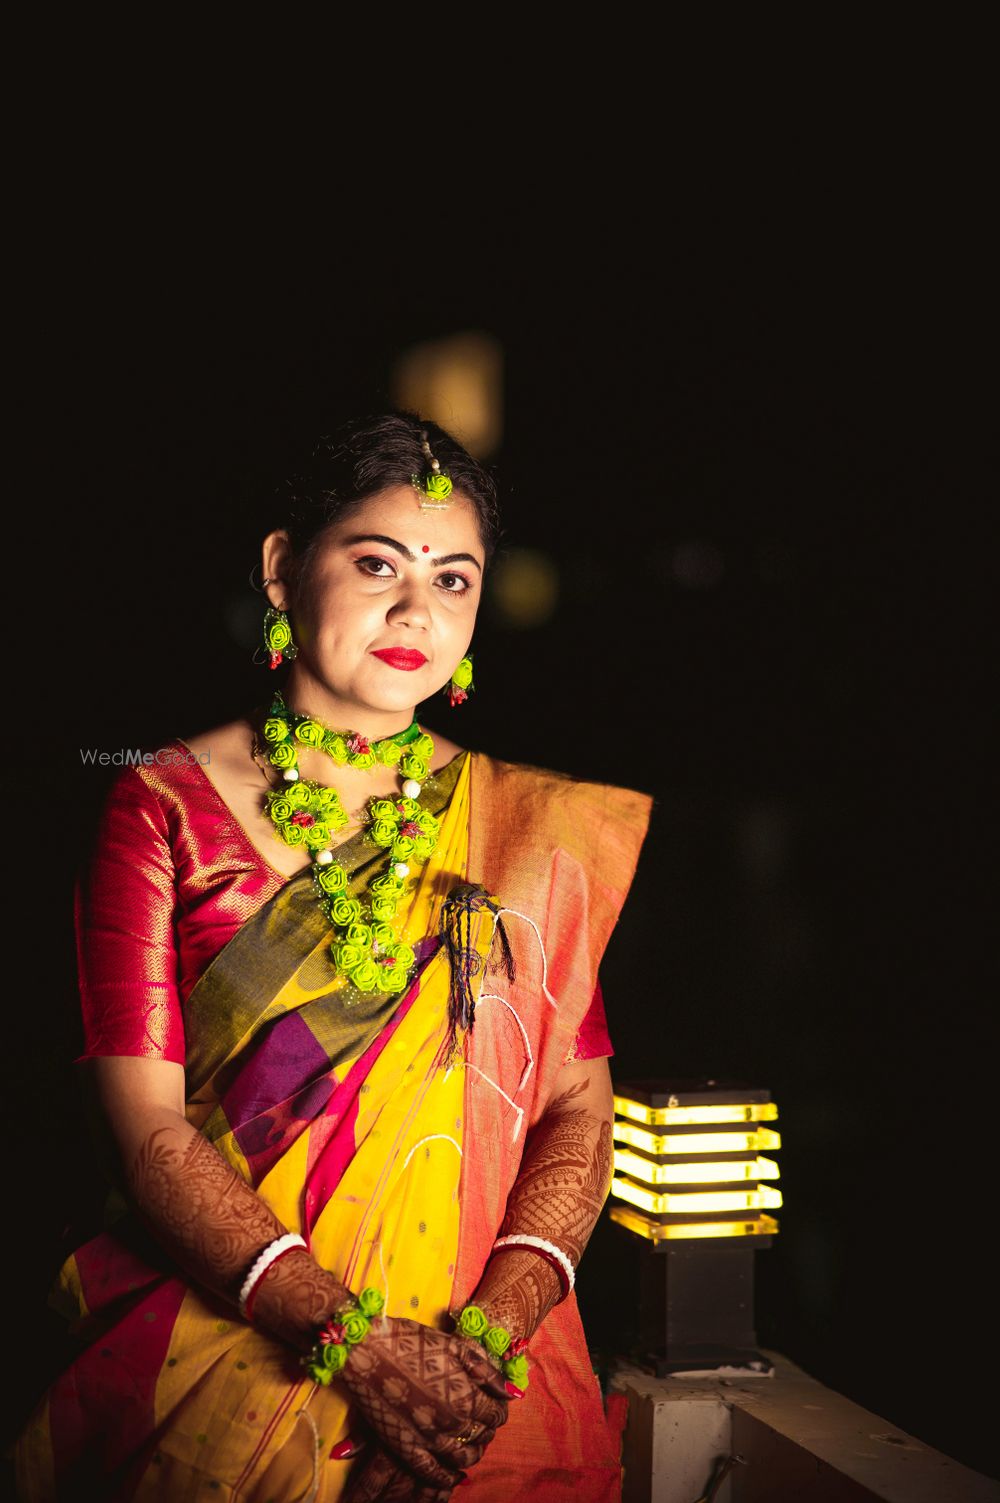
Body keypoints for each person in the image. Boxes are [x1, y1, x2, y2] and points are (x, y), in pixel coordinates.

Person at [16, 413, 651, 1502]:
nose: (418, 609)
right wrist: (352, 1344)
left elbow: (577, 1111)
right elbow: (146, 1130)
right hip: (220, 1367)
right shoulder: (161, 803)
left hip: (482, 1397)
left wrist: (479, 1358)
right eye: (376, 563)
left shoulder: (527, 830)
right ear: (280, 569)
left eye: (455, 580)